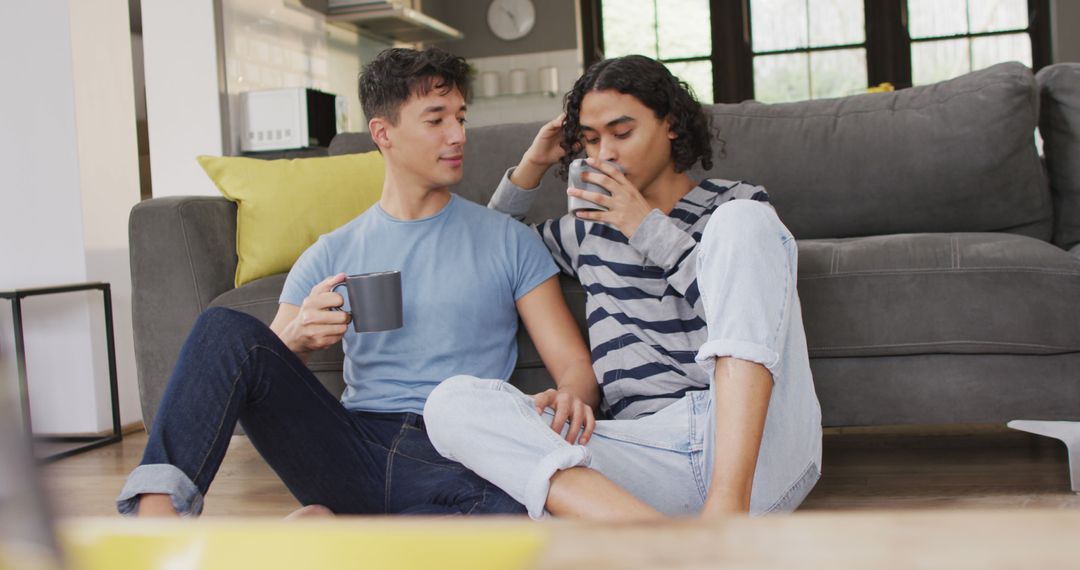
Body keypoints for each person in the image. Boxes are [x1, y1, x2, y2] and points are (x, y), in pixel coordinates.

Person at [115, 47, 600, 518]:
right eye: (436, 120)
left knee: (516, 519)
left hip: (463, 453)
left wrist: (569, 397)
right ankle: (157, 518)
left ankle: (340, 535)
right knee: (223, 329)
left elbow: (574, 366)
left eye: (461, 118)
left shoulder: (508, 241)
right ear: (382, 132)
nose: (457, 136)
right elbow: (258, 364)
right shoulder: (331, 251)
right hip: (350, 448)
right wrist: (298, 336)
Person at [424, 55, 823, 520]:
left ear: (670, 124)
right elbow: (490, 247)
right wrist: (533, 162)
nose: (604, 154)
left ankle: (725, 513)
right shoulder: (584, 232)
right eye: (590, 141)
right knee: (449, 405)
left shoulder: (734, 206)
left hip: (752, 450)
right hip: (646, 455)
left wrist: (645, 227)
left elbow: (745, 310)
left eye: (622, 132)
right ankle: (655, 536)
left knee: (747, 224)